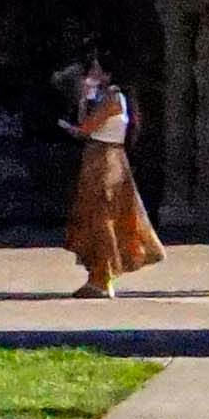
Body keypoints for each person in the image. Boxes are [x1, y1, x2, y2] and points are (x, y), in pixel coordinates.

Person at [58, 54, 163, 292]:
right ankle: (98, 273)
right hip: (98, 157)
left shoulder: (113, 98)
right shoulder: (103, 97)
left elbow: (86, 128)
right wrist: (85, 99)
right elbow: (84, 125)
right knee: (93, 216)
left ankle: (103, 275)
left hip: (105, 160)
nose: (90, 74)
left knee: (102, 217)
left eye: (95, 70)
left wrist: (82, 110)